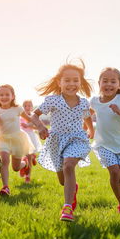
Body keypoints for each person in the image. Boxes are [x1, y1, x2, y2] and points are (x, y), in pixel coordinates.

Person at [31, 61, 94, 222]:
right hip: (56, 141)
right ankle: (72, 189)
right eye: (67, 80)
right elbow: (34, 115)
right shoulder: (53, 100)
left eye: (75, 80)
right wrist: (40, 127)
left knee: (69, 166)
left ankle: (67, 208)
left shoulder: (84, 102)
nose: (71, 84)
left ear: (80, 82)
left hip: (77, 139)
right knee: (62, 179)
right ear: (59, 82)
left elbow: (87, 116)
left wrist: (90, 129)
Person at [90, 67, 120, 214]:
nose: (108, 84)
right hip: (103, 144)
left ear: (119, 84)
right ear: (99, 83)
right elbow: (87, 115)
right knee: (114, 172)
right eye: (105, 81)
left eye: (113, 81)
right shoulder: (94, 101)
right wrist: (88, 129)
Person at [0, 85, 34, 196]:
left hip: (17, 139)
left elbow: (30, 118)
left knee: (15, 168)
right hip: (2, 139)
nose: (4, 97)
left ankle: (25, 164)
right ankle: (5, 187)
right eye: (1, 95)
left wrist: (39, 126)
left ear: (12, 96)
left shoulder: (17, 108)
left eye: (7, 94)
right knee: (5, 160)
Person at [20, 100, 42, 183]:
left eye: (29, 106)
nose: (27, 107)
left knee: (28, 156)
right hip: (23, 138)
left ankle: (28, 176)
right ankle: (24, 166)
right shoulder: (21, 117)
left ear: (32, 107)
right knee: (25, 156)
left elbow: (38, 126)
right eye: (25, 106)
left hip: (31, 137)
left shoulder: (34, 116)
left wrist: (30, 125)